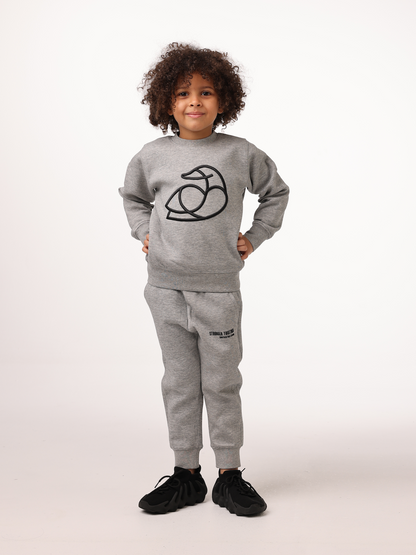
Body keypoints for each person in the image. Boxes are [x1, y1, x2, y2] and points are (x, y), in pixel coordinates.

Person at [119, 43, 289, 516]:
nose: (194, 101)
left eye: (206, 92)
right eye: (182, 93)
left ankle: (229, 475)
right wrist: (143, 230)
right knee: (179, 382)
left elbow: (276, 193)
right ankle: (186, 475)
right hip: (164, 291)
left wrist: (255, 236)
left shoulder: (240, 153)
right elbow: (133, 198)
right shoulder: (152, 156)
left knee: (221, 383)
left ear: (223, 100)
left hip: (219, 292)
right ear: (166, 102)